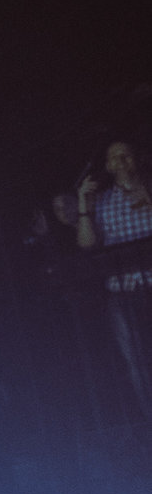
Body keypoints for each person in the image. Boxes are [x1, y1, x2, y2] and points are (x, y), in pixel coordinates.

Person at [73, 138, 152, 420]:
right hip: (123, 292)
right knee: (137, 360)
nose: (121, 161)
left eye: (125, 155)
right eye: (114, 157)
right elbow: (86, 243)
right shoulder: (103, 200)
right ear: (107, 165)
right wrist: (83, 202)